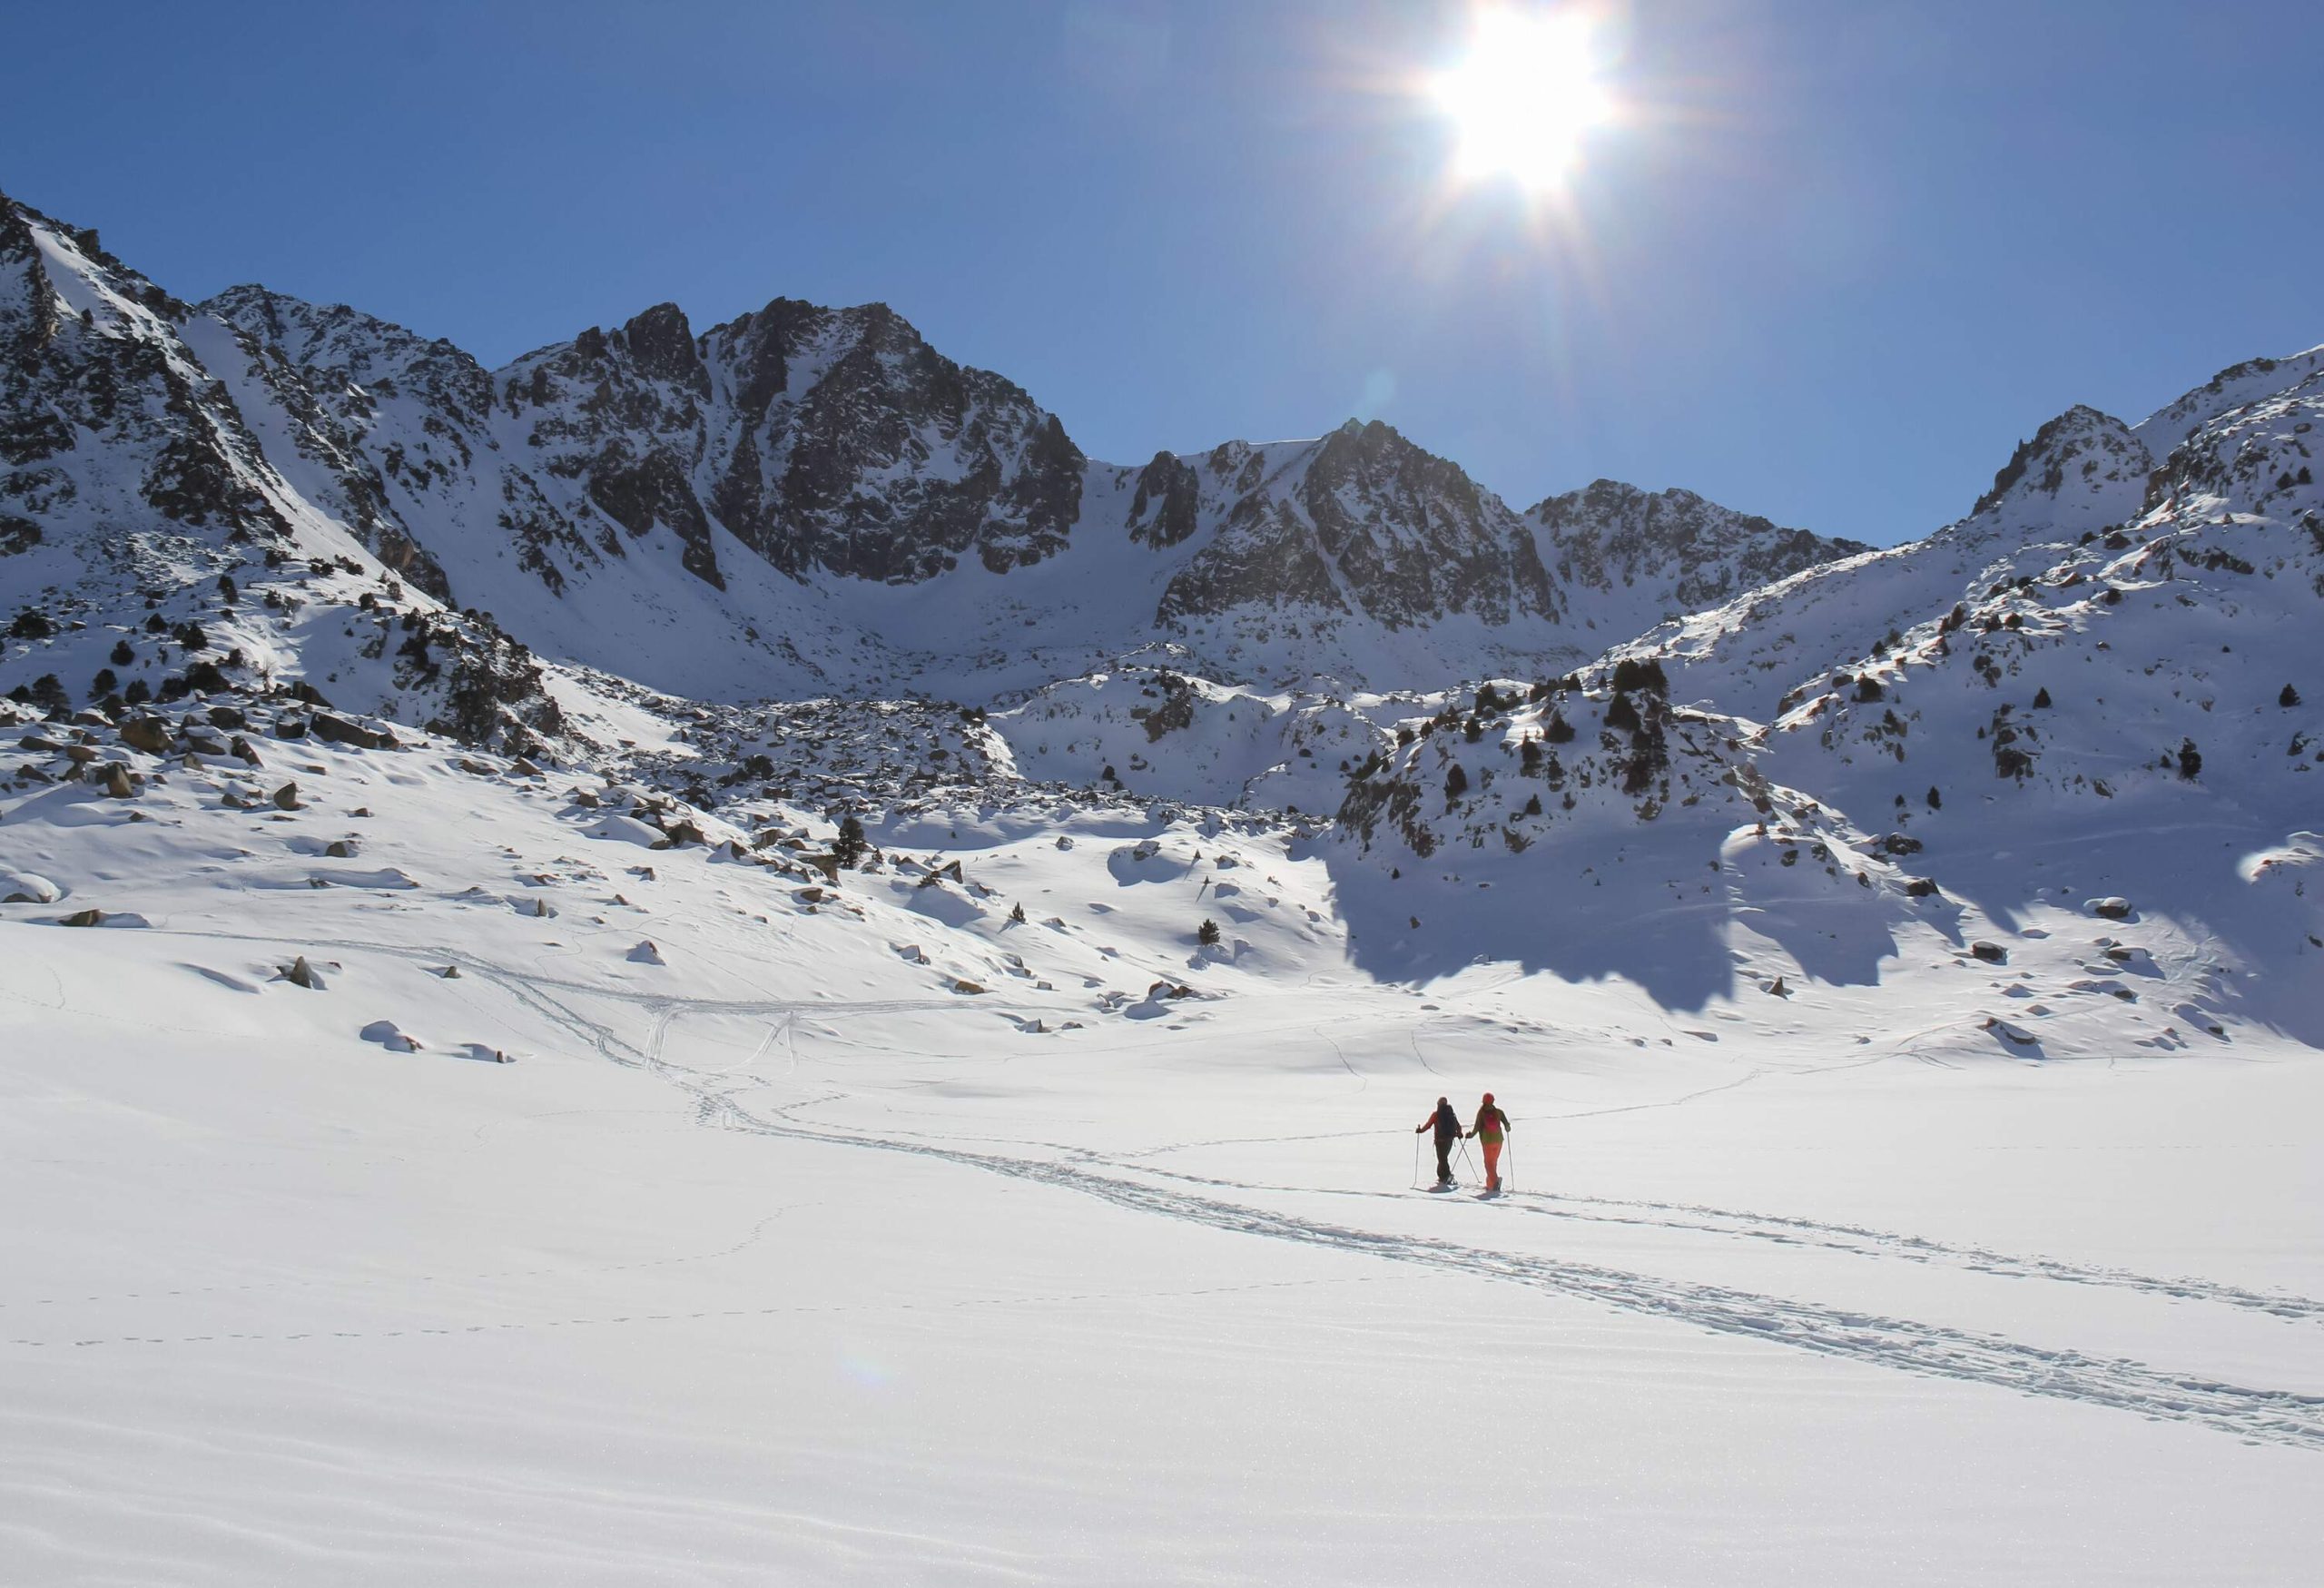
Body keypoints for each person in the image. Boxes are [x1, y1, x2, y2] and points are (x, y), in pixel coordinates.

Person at [1467, 1092, 1512, 1193]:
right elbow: (1507, 1125)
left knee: (1488, 1163)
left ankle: (1495, 1181)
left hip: (1487, 1141)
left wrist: (1470, 1135)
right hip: (1499, 1140)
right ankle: (1490, 1184)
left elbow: (1477, 1127)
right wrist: (1507, 1128)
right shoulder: (1499, 1112)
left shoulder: (1482, 1113)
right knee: (1493, 1162)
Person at [1415, 1095, 1462, 1188]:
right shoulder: (1451, 1114)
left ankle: (1447, 1175)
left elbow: (1428, 1125)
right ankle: (1442, 1177)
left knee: (1442, 1159)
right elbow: (1458, 1126)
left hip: (1440, 1141)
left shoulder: (1436, 1114)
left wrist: (1420, 1131)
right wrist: (1459, 1134)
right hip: (1450, 1140)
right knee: (1443, 1158)